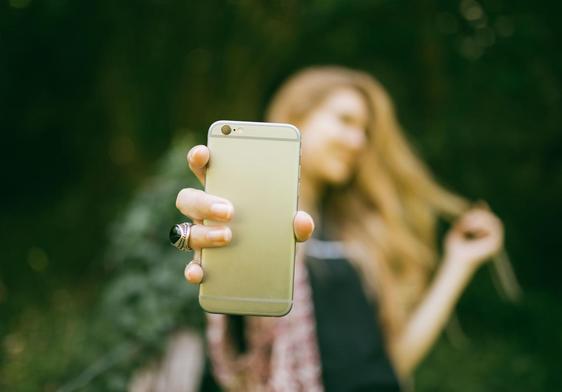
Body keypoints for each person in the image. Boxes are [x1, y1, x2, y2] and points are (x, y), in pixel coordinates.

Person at [174, 66, 504, 391]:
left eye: (365, 131)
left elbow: (393, 364)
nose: (358, 141)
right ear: (297, 118)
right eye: (345, 120)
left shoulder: (359, 237)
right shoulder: (240, 220)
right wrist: (218, 238)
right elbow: (239, 371)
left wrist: (459, 263)